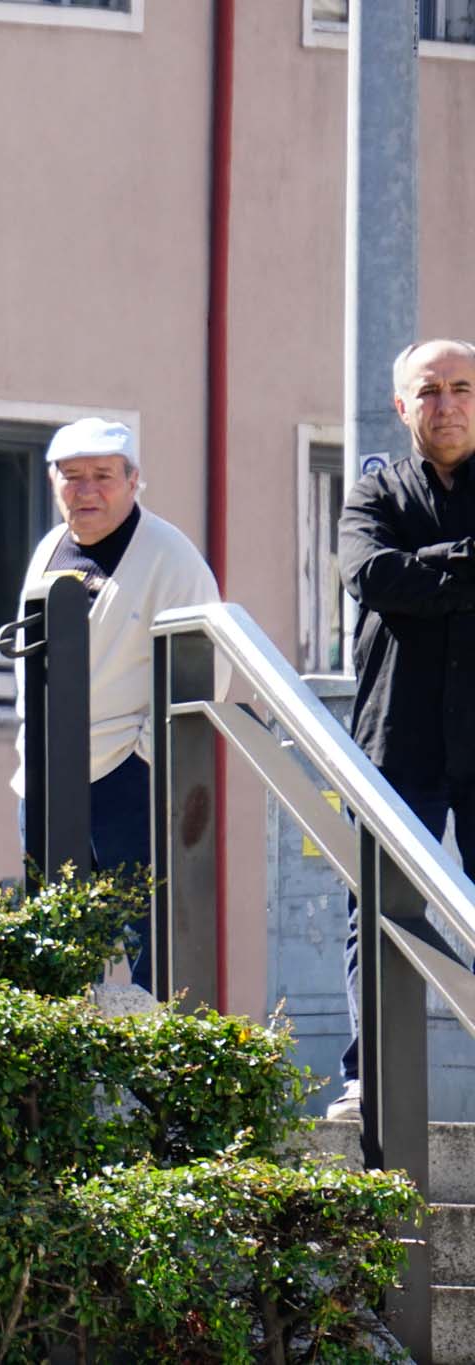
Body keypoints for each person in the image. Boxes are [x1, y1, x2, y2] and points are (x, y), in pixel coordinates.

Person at [8, 416, 221, 992]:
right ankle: (64, 1071)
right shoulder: (51, 547)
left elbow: (206, 670)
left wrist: (145, 758)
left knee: (151, 936)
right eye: (71, 477)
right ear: (54, 483)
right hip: (46, 776)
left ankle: (160, 1072)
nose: (86, 490)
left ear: (133, 481)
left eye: (102, 476)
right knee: (53, 939)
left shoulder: (170, 557)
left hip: (127, 774)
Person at [329, 337, 475, 1121]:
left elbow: (408, 580)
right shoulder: (372, 496)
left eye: (460, 388)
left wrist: (430, 570)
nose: (445, 404)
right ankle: (372, 1079)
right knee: (379, 910)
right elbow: (374, 576)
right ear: (401, 404)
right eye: (429, 391)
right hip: (398, 737)